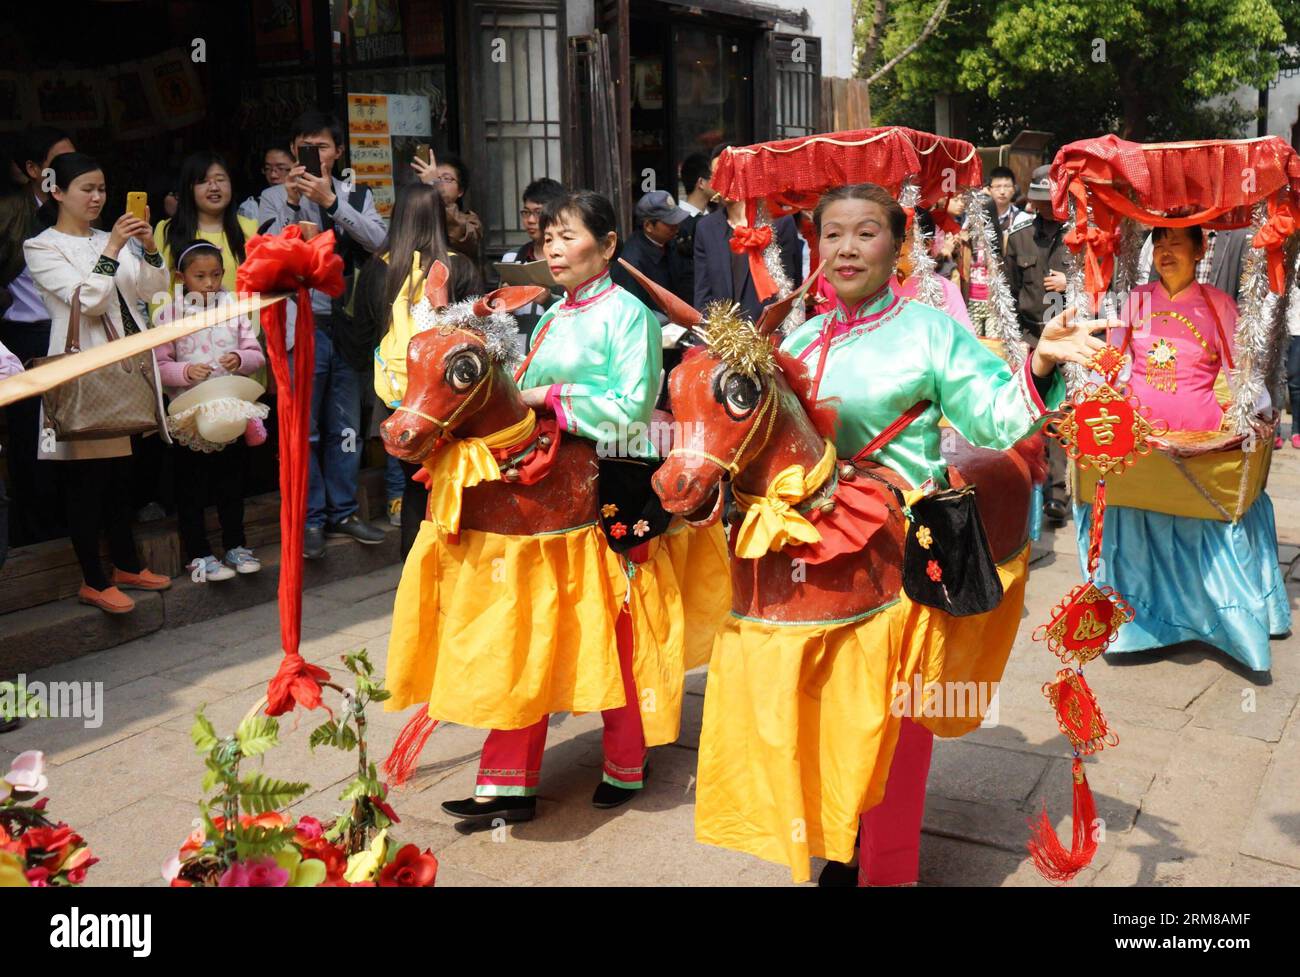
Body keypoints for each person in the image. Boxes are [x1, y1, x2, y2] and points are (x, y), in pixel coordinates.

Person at [701, 182, 1101, 886]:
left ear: (898, 244)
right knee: (822, 716)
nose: (847, 248)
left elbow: (997, 420)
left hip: (898, 560)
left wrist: (1039, 362)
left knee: (893, 726)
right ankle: (842, 841)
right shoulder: (796, 337)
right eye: (832, 234)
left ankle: (889, 870)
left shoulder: (928, 330)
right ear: (815, 245)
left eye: (866, 233)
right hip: (807, 563)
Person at [394, 190, 728, 824]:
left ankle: (627, 760)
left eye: (568, 237)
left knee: (620, 629)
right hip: (542, 488)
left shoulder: (629, 314)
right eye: (547, 238)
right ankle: (505, 785)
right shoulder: (547, 313)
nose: (553, 248)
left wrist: (544, 395)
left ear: (607, 247)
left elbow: (630, 406)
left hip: (608, 485)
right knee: (530, 632)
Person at [1079, 224, 1291, 672]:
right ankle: (1134, 627)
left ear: (1199, 251)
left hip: (1199, 447)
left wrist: (1255, 416)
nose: (1165, 251)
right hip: (1143, 446)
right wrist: (1094, 403)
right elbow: (1113, 366)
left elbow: (1242, 375)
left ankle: (1214, 623)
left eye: (1176, 243)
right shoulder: (1133, 302)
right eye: (1159, 243)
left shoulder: (1219, 305)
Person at [23, 152, 173, 614]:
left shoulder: (116, 236)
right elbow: (87, 301)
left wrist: (147, 247)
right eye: (86, 189)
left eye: (102, 188)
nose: (97, 197)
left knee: (121, 474)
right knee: (86, 479)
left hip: (128, 366)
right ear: (57, 192)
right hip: (85, 368)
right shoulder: (41, 246)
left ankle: (126, 564)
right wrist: (111, 252)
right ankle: (93, 577)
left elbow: (153, 290)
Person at [260, 110, 389, 559]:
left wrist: (333, 203)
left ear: (338, 152)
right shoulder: (273, 197)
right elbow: (269, 255)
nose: (313, 154)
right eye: (304, 146)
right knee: (305, 429)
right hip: (301, 325)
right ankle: (311, 518)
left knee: (347, 428)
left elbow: (378, 241)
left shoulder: (357, 193)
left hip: (348, 325)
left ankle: (345, 511)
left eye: (322, 146)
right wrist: (296, 203)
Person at [358, 182, 480, 553]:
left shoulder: (378, 269)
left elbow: (361, 332)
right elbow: (478, 332)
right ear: (439, 218)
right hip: (449, 396)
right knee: (457, 477)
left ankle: (414, 565)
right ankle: (456, 557)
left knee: (414, 482)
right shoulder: (458, 266)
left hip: (397, 393)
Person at [154, 241, 266, 581]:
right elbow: (158, 365)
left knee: (231, 483)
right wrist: (185, 373)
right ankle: (199, 554)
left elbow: (256, 353)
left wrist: (241, 359)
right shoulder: (169, 313)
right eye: (200, 276)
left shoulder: (233, 307)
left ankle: (236, 545)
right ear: (181, 277)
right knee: (191, 488)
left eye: (216, 275)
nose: (210, 284)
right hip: (190, 414)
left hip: (228, 410)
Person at [0, 127, 75, 546]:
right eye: (59, 161)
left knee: (76, 430)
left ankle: (74, 524)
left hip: (74, 334)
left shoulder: (83, 204)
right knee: (33, 436)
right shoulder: (9, 212)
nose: (72, 169)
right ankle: (36, 533)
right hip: (24, 337)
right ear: (33, 170)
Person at [1006, 164, 1071, 523]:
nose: (1045, 207)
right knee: (1033, 414)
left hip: (1069, 336)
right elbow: (1010, 292)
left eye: (1052, 200)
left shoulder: (1080, 237)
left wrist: (1070, 284)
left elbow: (1104, 290)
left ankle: (1057, 493)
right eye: (1039, 201)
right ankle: (1030, 487)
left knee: (1062, 414)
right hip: (1031, 337)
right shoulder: (1019, 238)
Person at [693, 144, 803, 323]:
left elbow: (791, 288)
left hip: (769, 336)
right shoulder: (706, 228)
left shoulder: (779, 223)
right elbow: (702, 295)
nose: (723, 181)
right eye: (717, 175)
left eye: (729, 172)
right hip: (724, 338)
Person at [154, 152, 257, 313]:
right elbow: (159, 289)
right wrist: (163, 333)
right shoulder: (167, 230)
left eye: (221, 179)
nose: (214, 187)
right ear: (189, 188)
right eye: (203, 181)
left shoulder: (250, 229)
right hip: (186, 333)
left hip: (241, 331)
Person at [610, 189, 692, 310]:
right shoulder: (631, 263)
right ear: (648, 226)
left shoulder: (669, 243)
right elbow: (632, 309)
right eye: (670, 223)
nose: (676, 227)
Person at [891, 207, 971, 328]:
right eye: (894, 237)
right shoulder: (877, 286)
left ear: (927, 243)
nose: (898, 245)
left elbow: (963, 337)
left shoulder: (945, 289)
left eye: (906, 237)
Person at [412, 151, 482, 261]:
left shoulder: (471, 222)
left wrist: (434, 187)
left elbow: (462, 237)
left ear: (460, 191)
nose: (439, 184)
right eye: (437, 178)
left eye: (446, 179)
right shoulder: (415, 217)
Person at [501, 177, 565, 264]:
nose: (530, 220)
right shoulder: (512, 258)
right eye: (526, 212)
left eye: (538, 213)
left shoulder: (570, 258)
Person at [238, 146, 293, 222]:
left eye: (281, 168)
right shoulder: (252, 208)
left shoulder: (309, 201)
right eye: (267, 169)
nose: (273, 175)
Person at [987, 166, 1022, 237]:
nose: (1002, 192)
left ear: (1014, 189)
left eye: (1007, 186)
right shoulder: (981, 217)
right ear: (989, 190)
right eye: (997, 186)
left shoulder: (1021, 219)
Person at [677, 152, 714, 218]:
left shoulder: (711, 216)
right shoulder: (678, 220)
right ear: (701, 183)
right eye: (715, 177)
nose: (720, 183)